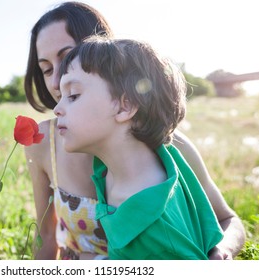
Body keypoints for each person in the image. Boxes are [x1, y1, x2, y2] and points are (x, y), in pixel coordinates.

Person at [24, 1, 245, 260]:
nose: (55, 81)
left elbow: (226, 219)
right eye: (46, 69)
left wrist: (222, 252)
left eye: (67, 58)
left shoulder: (168, 147)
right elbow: (47, 237)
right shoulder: (43, 142)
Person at [54, 36, 224, 259]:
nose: (57, 108)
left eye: (73, 95)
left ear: (126, 106)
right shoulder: (115, 168)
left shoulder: (156, 231)